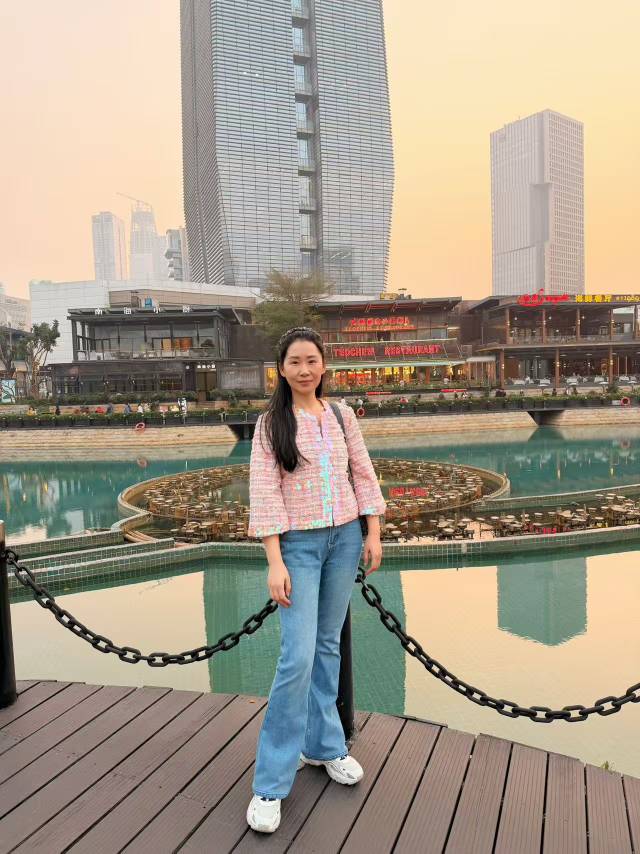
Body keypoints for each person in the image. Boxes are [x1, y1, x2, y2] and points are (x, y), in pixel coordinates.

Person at [246, 326, 385, 835]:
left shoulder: (342, 416)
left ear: (324, 365)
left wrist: (372, 532)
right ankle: (270, 782)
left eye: (312, 360)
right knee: (297, 658)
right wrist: (275, 560)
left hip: (344, 538)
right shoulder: (271, 425)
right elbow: (264, 491)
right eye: (295, 362)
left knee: (328, 647)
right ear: (281, 370)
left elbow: (363, 474)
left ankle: (324, 745)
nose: (305, 370)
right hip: (299, 547)